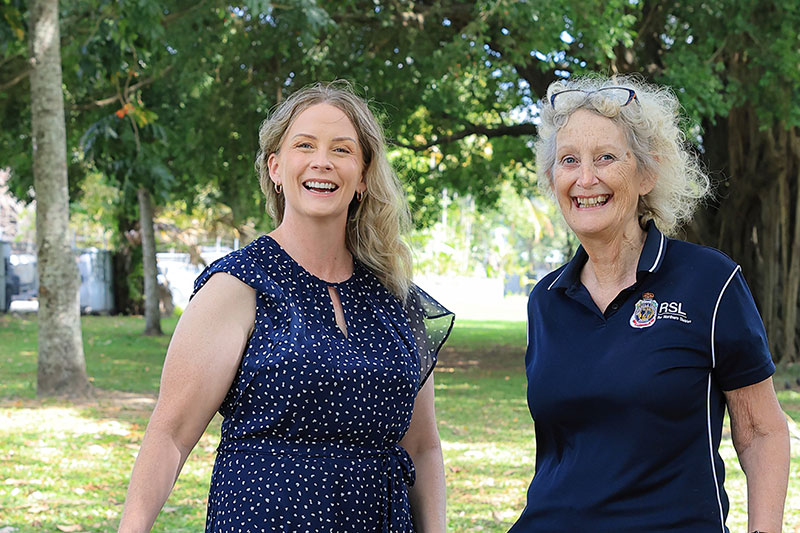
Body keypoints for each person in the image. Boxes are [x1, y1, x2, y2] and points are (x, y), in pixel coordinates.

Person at [118, 82, 454, 532]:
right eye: (304, 145)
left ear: (363, 174)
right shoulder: (237, 285)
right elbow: (171, 435)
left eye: (342, 149)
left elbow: (423, 447)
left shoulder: (397, 299)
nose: (322, 162)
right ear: (276, 167)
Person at [509, 76, 790, 532]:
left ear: (646, 173)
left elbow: (762, 431)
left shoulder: (710, 282)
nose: (585, 178)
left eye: (606, 157)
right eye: (568, 161)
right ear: (552, 178)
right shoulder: (546, 299)